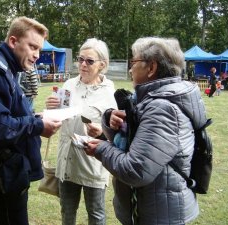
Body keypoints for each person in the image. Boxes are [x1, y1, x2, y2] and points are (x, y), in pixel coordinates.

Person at [84, 37, 207, 225]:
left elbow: (135, 170)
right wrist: (110, 120)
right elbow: (136, 142)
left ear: (151, 68)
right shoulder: (153, 100)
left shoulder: (162, 108)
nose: (130, 68)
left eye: (134, 62)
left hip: (159, 215)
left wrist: (101, 148)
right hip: (154, 208)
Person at [0, 16, 62, 225]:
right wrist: (37, 126)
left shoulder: (7, 69)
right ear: (13, 41)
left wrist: (36, 118)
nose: (36, 55)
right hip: (1, 175)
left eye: (39, 49)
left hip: (8, 172)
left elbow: (5, 115)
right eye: (32, 47)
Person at [45, 38, 117, 225]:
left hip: (93, 162)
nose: (83, 64)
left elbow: (115, 129)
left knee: (96, 213)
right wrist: (52, 107)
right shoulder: (68, 85)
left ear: (102, 65)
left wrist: (101, 130)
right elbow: (59, 116)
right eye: (80, 59)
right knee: (67, 212)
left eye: (89, 61)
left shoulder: (109, 92)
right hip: (68, 159)